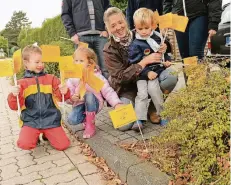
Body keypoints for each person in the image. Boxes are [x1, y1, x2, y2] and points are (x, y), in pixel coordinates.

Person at [103, 7, 178, 131]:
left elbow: (159, 42)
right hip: (128, 89)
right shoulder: (108, 49)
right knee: (123, 126)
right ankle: (136, 112)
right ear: (108, 29)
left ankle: (153, 109)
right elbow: (120, 77)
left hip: (149, 77)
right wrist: (143, 63)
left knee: (172, 75)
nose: (118, 27)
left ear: (126, 21)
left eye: (120, 22)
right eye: (113, 25)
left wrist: (166, 47)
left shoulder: (140, 30)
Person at [7, 45, 71, 151]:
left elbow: (63, 98)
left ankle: (47, 135)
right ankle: (34, 136)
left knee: (63, 145)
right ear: (26, 63)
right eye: (37, 62)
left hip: (51, 119)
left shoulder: (52, 79)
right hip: (31, 121)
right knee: (24, 144)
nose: (41, 65)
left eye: (42, 62)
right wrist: (14, 95)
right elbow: (14, 106)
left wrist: (65, 91)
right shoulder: (21, 84)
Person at [129, 8, 172, 130]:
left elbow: (162, 53)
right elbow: (134, 62)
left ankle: (162, 114)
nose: (143, 31)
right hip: (142, 74)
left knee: (155, 91)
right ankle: (139, 119)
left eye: (146, 28)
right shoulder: (135, 44)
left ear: (152, 25)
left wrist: (166, 60)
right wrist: (147, 72)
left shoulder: (158, 38)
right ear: (135, 27)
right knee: (141, 94)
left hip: (156, 72)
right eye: (140, 29)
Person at [66, 47, 123, 139]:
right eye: (76, 61)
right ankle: (87, 119)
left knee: (89, 94)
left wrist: (116, 103)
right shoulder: (73, 77)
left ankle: (90, 125)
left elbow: (108, 91)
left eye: (81, 61)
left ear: (90, 62)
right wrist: (71, 98)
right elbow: (69, 94)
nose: (78, 63)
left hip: (94, 103)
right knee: (71, 120)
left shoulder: (96, 76)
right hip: (80, 104)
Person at [61, 0, 110, 78]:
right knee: (83, 70)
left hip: (101, 35)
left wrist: (107, 28)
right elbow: (65, 14)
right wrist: (72, 33)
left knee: (107, 69)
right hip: (81, 38)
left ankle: (110, 90)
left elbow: (107, 9)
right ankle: (89, 91)